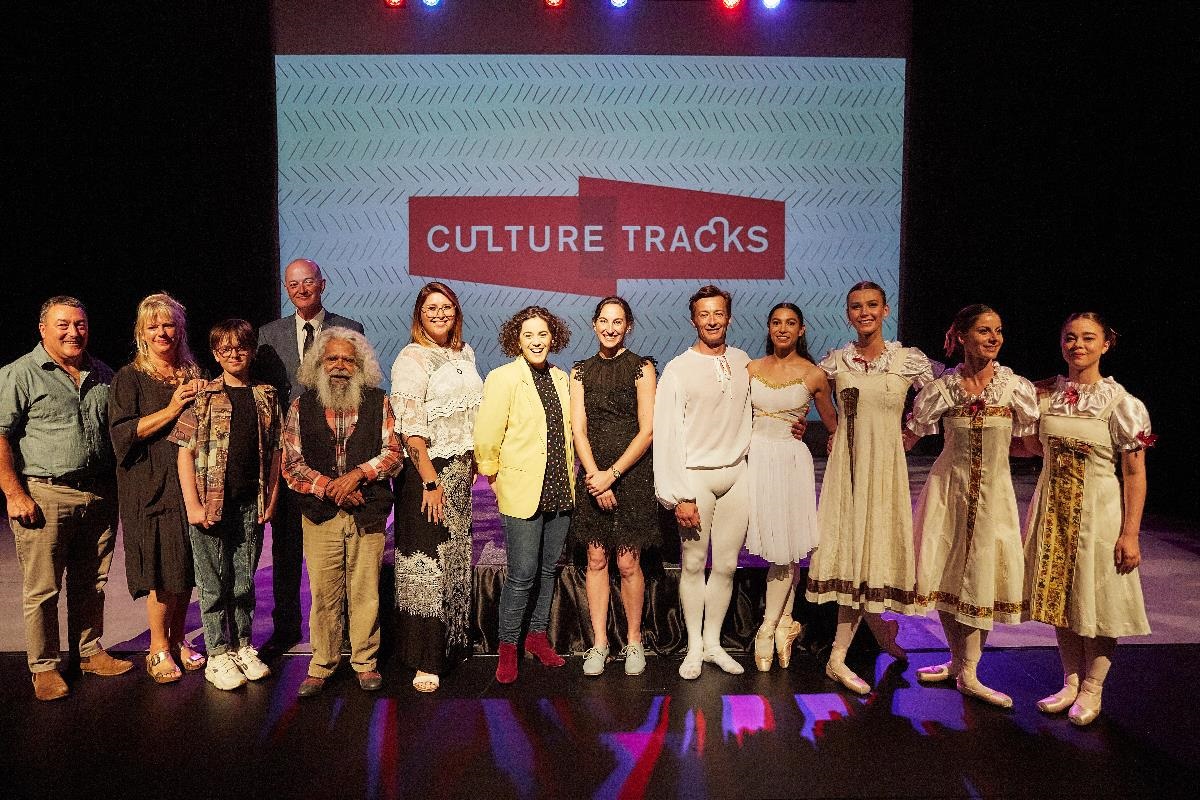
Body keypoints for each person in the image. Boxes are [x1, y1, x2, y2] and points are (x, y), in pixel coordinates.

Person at [905, 305, 1039, 707]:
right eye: (984, 331)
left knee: (983, 574)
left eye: (998, 330)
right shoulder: (944, 388)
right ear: (961, 336)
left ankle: (970, 671)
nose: (994, 338)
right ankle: (958, 661)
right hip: (949, 492)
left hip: (994, 495)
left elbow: (1029, 445)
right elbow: (910, 436)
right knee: (947, 575)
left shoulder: (1014, 387)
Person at [1022, 312, 1153, 726]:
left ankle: (1093, 689)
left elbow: (1134, 473)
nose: (1077, 345)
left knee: (1098, 600)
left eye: (1088, 338)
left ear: (1106, 344)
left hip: (1098, 513)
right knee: (1062, 598)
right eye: (1070, 338)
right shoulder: (1047, 396)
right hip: (1054, 511)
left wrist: (1130, 533)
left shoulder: (1122, 403)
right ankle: (1071, 682)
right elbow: (1028, 447)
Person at [805, 281, 935, 694]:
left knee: (874, 549)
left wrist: (912, 433)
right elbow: (804, 388)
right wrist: (811, 425)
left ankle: (878, 634)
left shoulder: (905, 360)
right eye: (857, 307)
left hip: (885, 470)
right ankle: (839, 659)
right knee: (852, 552)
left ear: (885, 310)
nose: (864, 312)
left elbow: (938, 397)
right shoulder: (837, 361)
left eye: (872, 305)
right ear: (848, 314)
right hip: (847, 469)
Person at [0, 296, 132, 701]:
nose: (74, 332)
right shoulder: (20, 374)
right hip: (45, 493)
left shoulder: (103, 373)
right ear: (43, 329)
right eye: (63, 325)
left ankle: (89, 651)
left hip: (98, 493)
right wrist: (12, 491)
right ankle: (43, 667)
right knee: (43, 588)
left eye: (80, 324)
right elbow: (1, 435)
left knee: (91, 582)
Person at [282, 327, 403, 697]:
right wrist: (331, 489)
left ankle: (365, 663)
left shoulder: (379, 402)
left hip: (367, 511)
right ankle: (321, 664)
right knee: (324, 593)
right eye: (331, 358)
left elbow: (393, 453)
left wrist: (356, 476)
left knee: (365, 591)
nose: (339, 366)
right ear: (318, 363)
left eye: (348, 360)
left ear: (360, 365)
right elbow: (292, 463)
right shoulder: (302, 406)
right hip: (320, 513)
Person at [256, 258, 365, 653]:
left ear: (323, 283)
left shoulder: (349, 329)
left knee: (342, 548)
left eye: (308, 282)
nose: (301, 290)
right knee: (285, 547)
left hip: (338, 453)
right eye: (293, 284)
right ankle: (286, 626)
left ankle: (348, 632)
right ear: (287, 289)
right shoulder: (268, 336)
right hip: (291, 454)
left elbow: (360, 386)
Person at [171, 319, 282, 690]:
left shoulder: (266, 395)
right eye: (225, 349)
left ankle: (243, 645)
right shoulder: (202, 397)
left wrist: (271, 498)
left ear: (251, 350)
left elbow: (277, 451)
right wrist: (193, 505)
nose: (234, 354)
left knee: (243, 580)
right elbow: (184, 453)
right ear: (215, 353)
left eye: (241, 347)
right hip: (210, 504)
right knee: (213, 583)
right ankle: (217, 653)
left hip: (251, 502)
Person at [653, 285, 753, 680]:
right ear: (693, 319)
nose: (712, 321)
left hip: (736, 474)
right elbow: (667, 435)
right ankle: (694, 646)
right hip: (696, 478)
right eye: (704, 314)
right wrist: (680, 494)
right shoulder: (678, 368)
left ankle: (713, 643)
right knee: (694, 564)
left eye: (719, 313)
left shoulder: (744, 361)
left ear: (728, 316)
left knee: (726, 565)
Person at [110, 292, 207, 684]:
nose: (162, 332)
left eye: (168, 324)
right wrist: (170, 410)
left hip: (187, 484)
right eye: (153, 326)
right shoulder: (129, 377)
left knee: (184, 565)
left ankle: (180, 638)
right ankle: (157, 648)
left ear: (180, 329)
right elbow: (123, 433)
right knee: (161, 571)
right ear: (142, 333)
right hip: (149, 485)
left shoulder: (191, 372)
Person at [390, 282, 483, 693]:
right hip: (428, 473)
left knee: (454, 561)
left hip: (460, 473)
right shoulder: (411, 358)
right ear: (419, 314)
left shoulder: (465, 353)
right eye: (432, 308)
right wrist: (430, 480)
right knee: (426, 565)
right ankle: (424, 659)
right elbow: (411, 428)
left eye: (446, 307)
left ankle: (449, 644)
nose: (440, 313)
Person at [475, 306, 574, 684]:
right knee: (522, 574)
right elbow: (487, 433)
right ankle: (508, 647)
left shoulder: (562, 379)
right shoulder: (503, 378)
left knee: (548, 570)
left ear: (554, 338)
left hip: (560, 487)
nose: (536, 341)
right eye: (528, 335)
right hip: (520, 490)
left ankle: (536, 638)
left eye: (543, 334)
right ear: (517, 339)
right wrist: (492, 477)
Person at [745, 302, 837, 672]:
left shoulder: (814, 374)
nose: (782, 329)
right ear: (768, 328)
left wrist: (807, 433)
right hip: (755, 459)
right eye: (776, 322)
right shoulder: (751, 368)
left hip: (789, 462)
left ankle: (766, 629)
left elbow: (833, 427)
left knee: (786, 548)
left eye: (790, 323)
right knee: (776, 546)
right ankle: (785, 624)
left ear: (801, 330)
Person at [571, 296, 657, 677]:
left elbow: (648, 430)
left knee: (627, 561)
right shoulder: (580, 371)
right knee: (596, 559)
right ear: (594, 325)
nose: (610, 327)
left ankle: (634, 641)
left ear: (628, 326)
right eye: (604, 321)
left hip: (632, 474)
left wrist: (614, 475)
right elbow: (579, 430)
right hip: (593, 476)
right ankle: (600, 644)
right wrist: (595, 477)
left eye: (618, 321)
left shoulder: (642, 368)